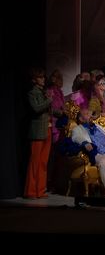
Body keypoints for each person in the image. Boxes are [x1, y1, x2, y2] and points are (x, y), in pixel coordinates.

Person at [24, 67, 52, 199]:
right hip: (37, 131)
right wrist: (49, 100)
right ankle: (30, 191)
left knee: (43, 162)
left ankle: (40, 190)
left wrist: (60, 111)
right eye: (40, 77)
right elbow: (36, 108)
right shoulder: (32, 93)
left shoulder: (43, 92)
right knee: (35, 161)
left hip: (47, 128)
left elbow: (47, 109)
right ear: (34, 80)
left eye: (43, 77)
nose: (43, 79)